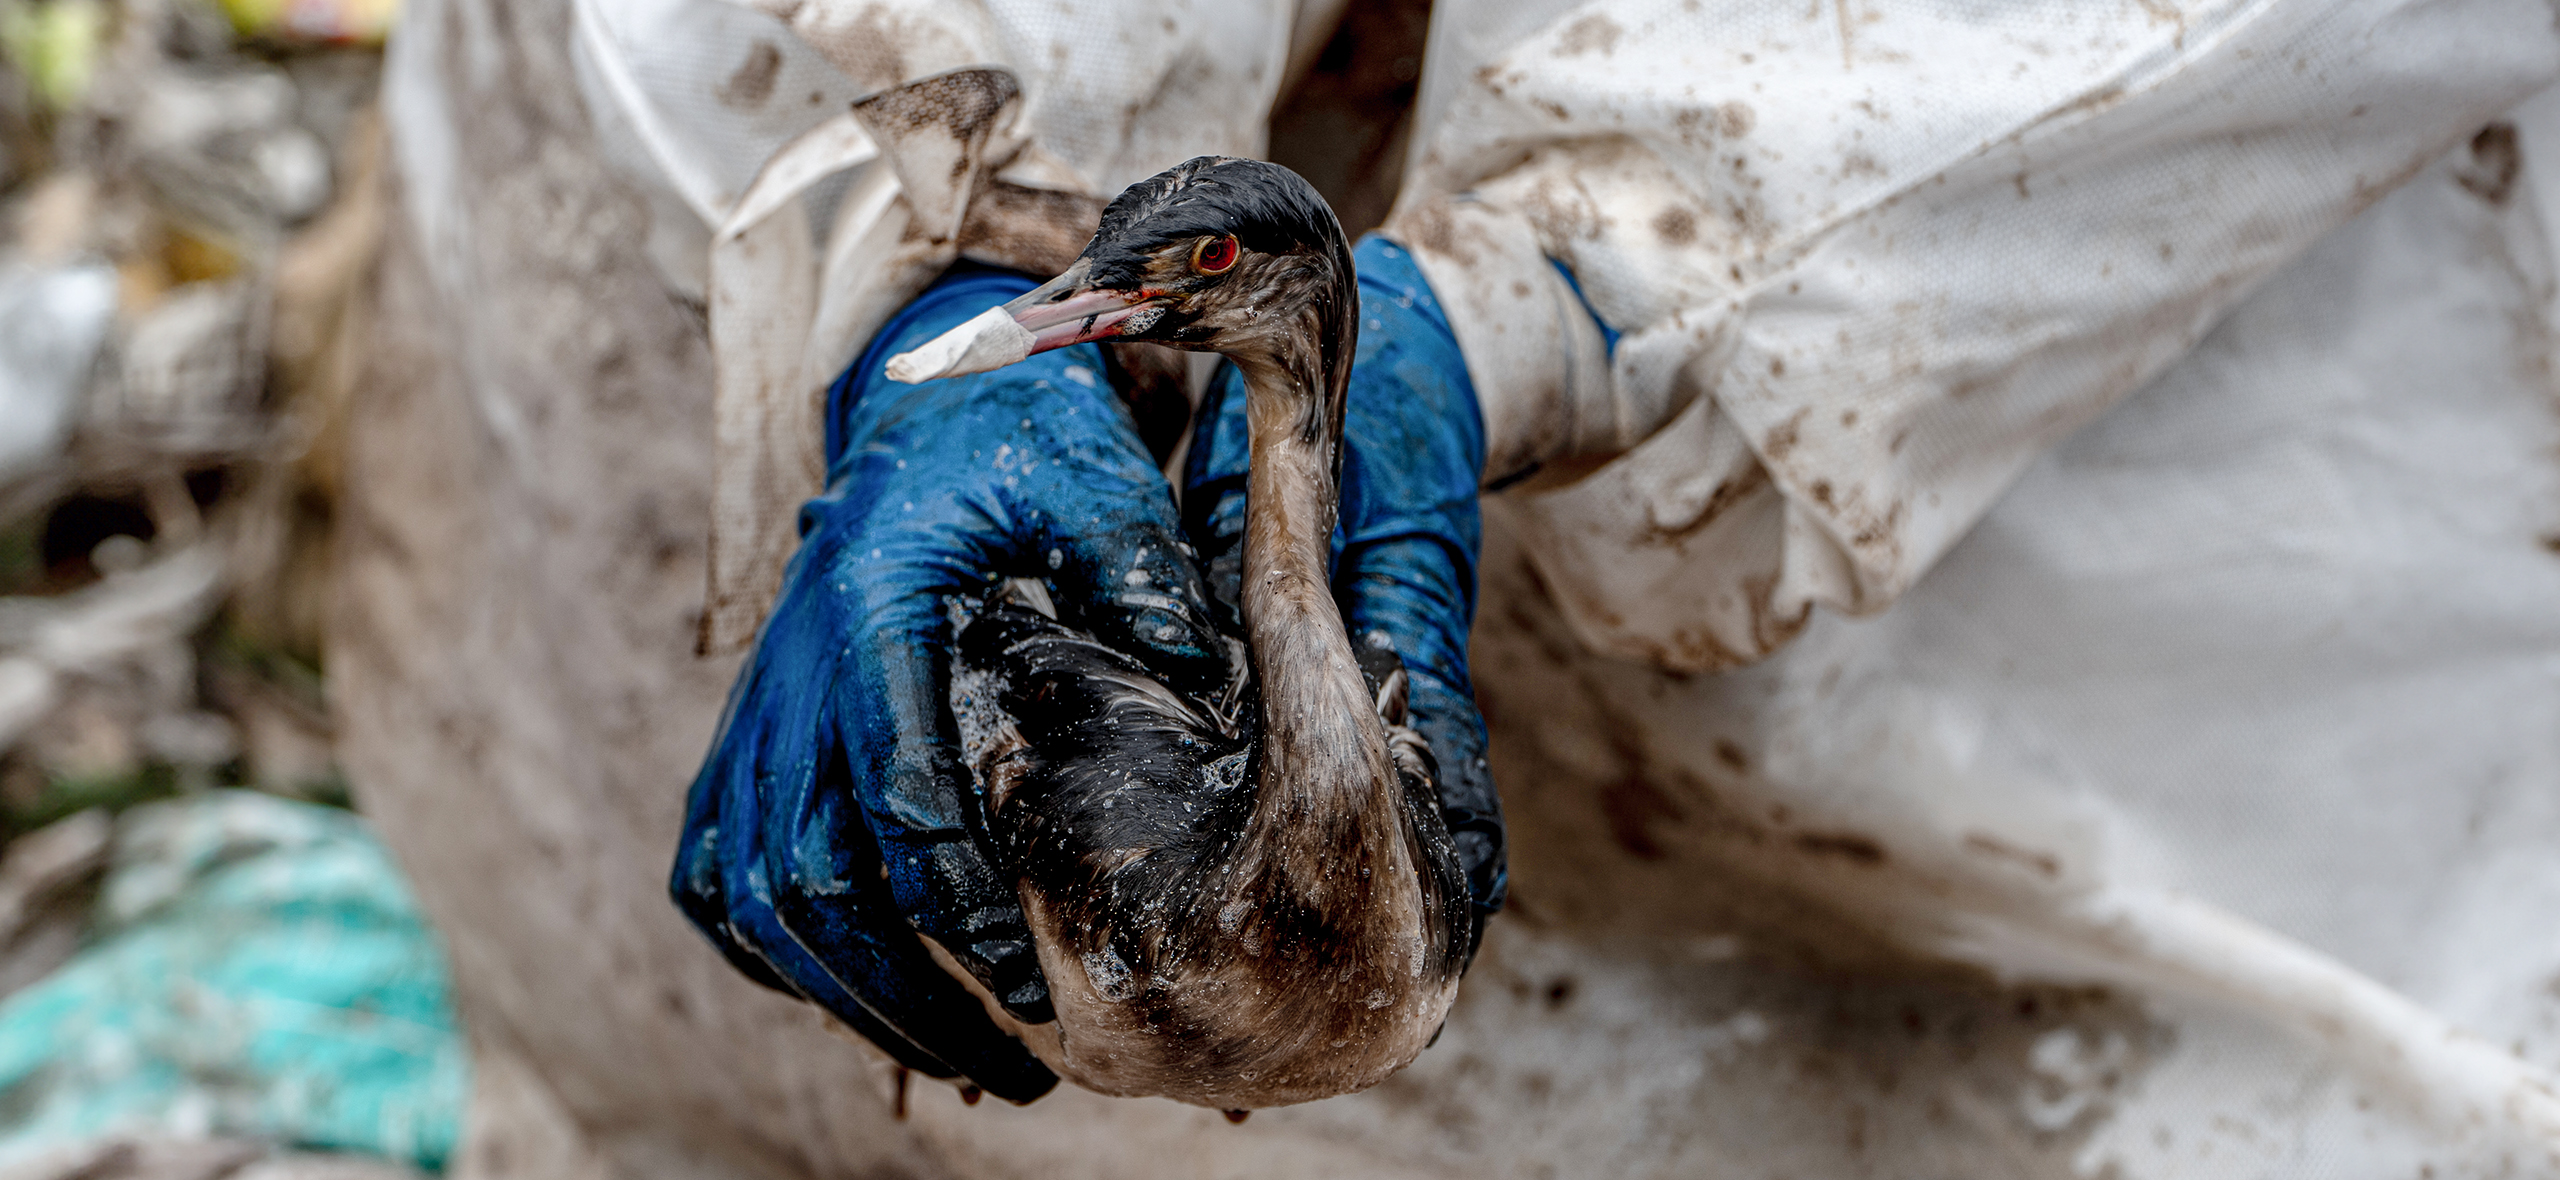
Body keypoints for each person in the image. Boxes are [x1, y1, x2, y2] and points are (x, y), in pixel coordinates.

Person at [354, 0, 2560, 1175]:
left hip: (2052, 292)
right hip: (731, 182)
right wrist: (915, 204)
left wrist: (1571, 290)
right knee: (693, 1030)